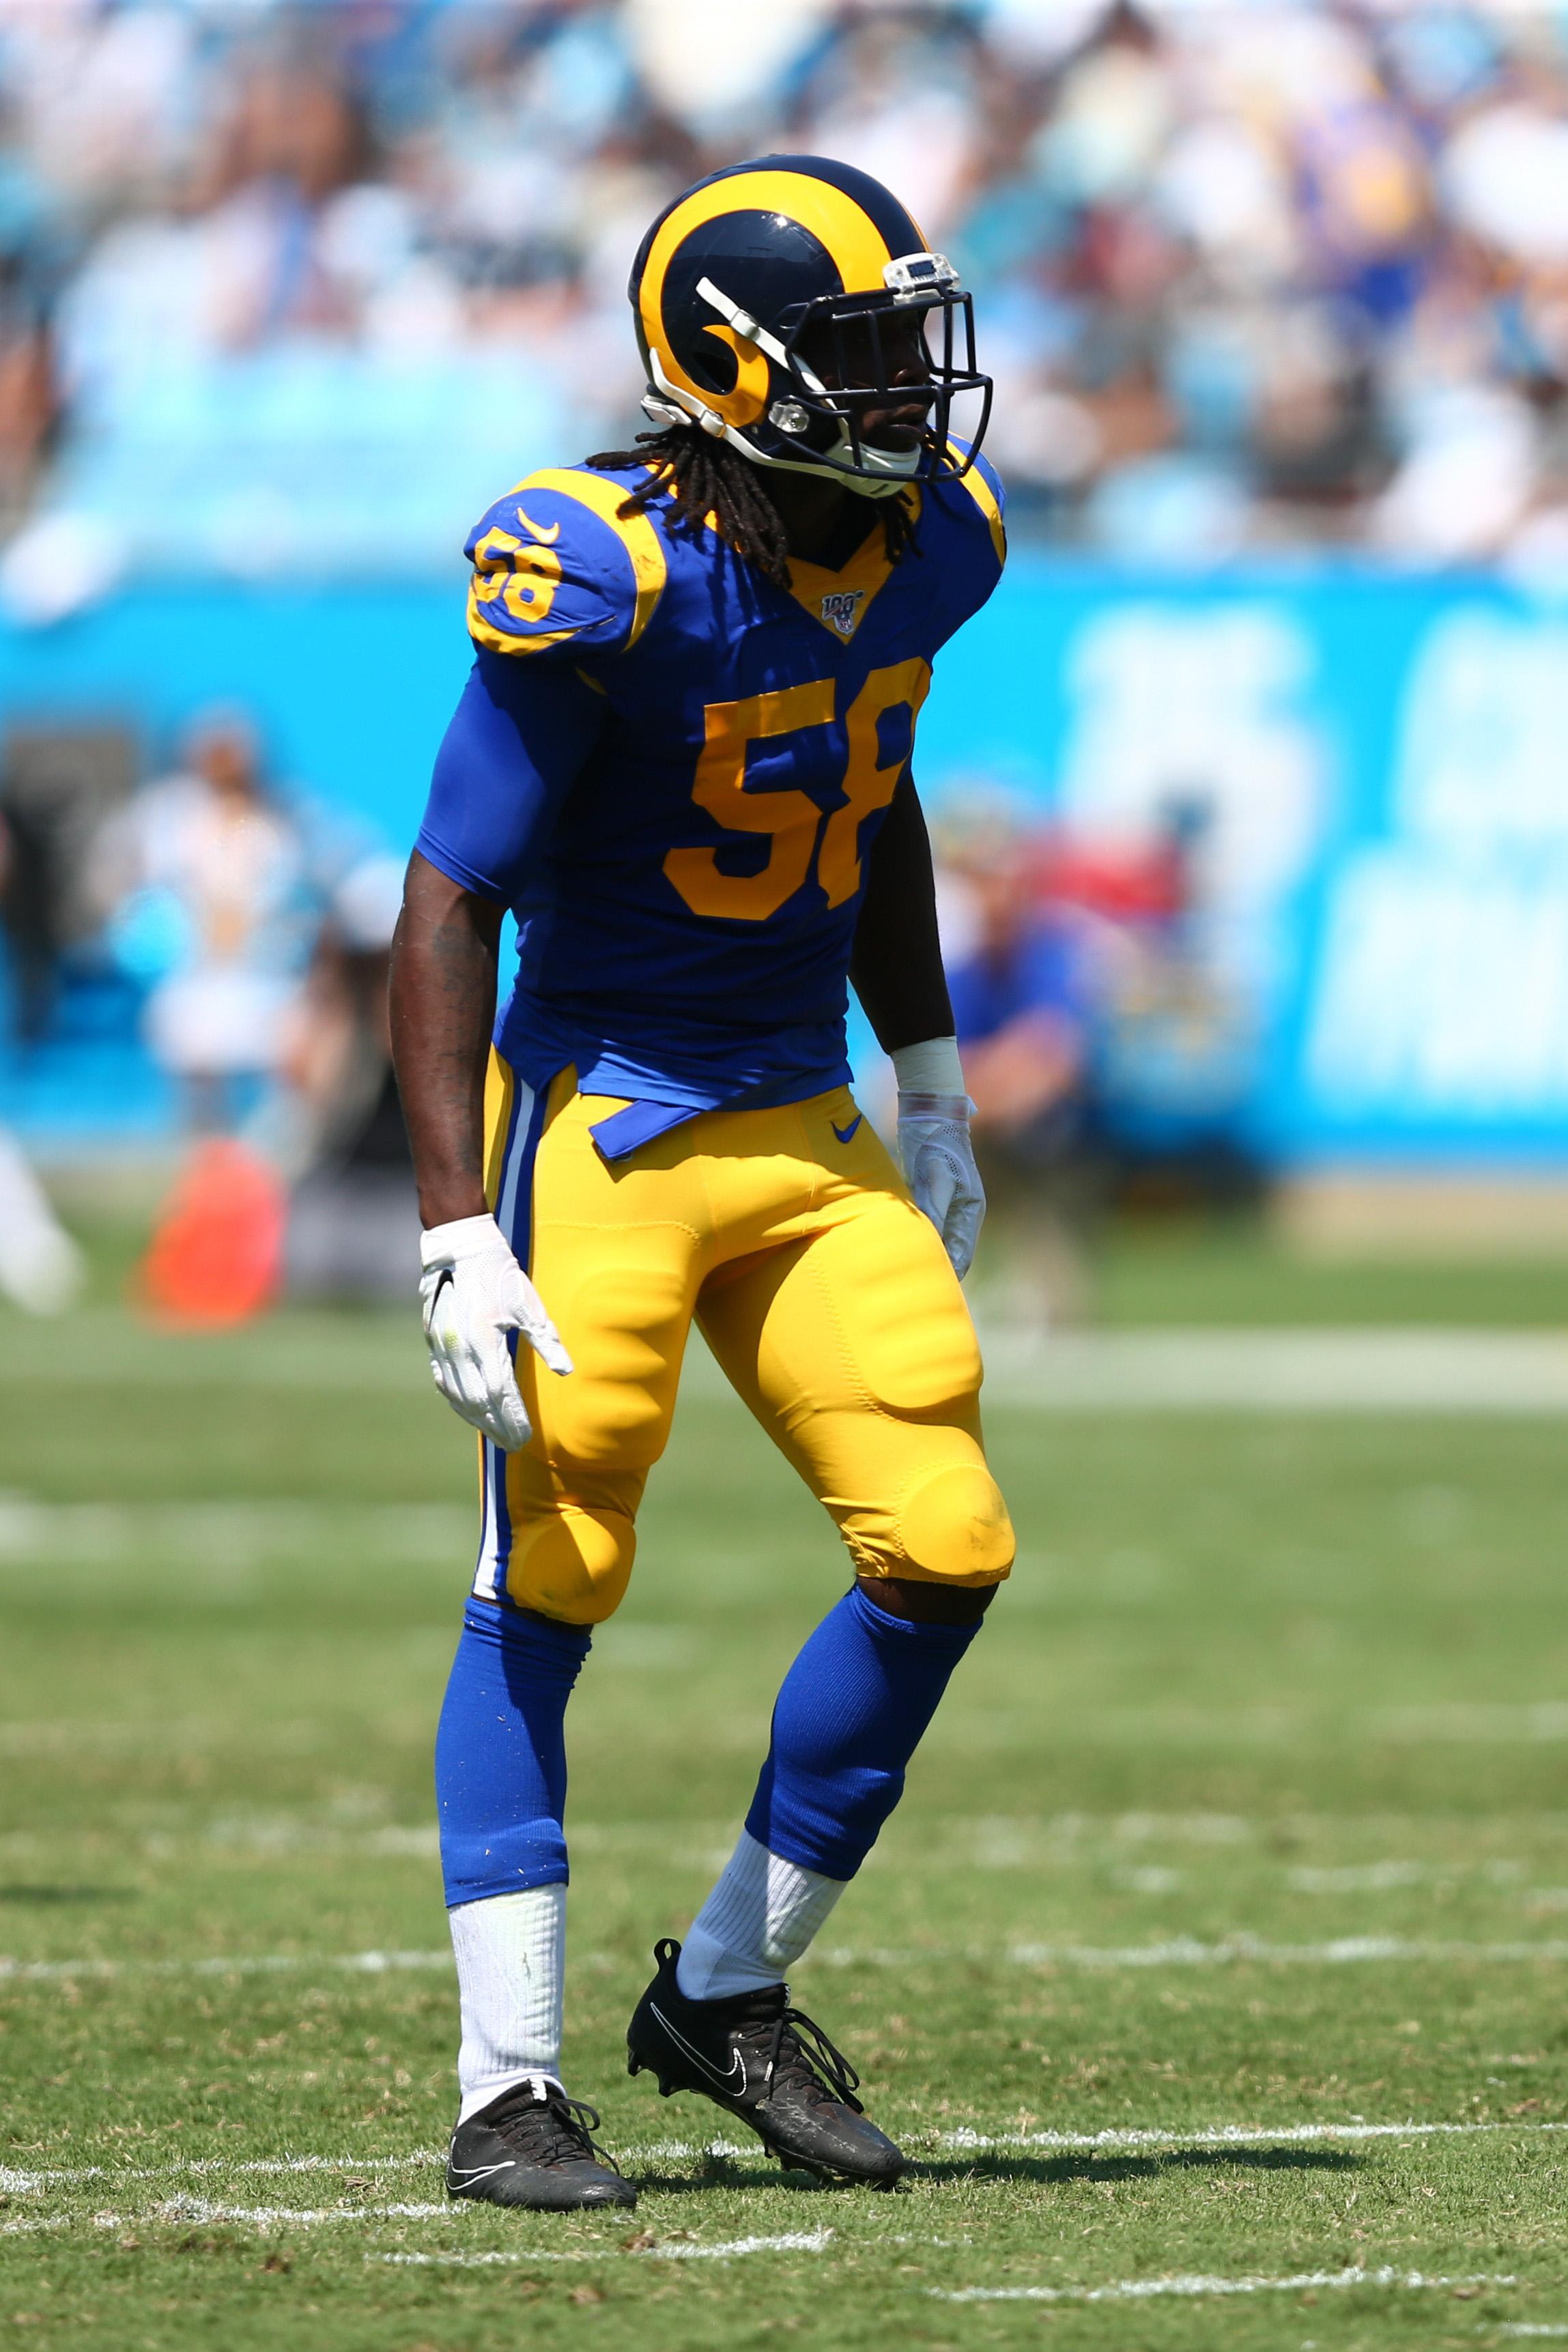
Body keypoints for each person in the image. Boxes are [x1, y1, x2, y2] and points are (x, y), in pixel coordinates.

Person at [390, 156, 1014, 2215]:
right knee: (550, 1576)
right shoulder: (604, 571)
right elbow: (447, 890)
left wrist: (923, 1068)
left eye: (909, 341)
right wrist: (453, 1216)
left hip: (804, 1118)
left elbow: (879, 777)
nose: (911, 389)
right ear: (727, 368)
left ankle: (725, 1992)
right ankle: (504, 2091)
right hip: (611, 1122)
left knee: (941, 1539)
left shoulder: (930, 546)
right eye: (857, 350)